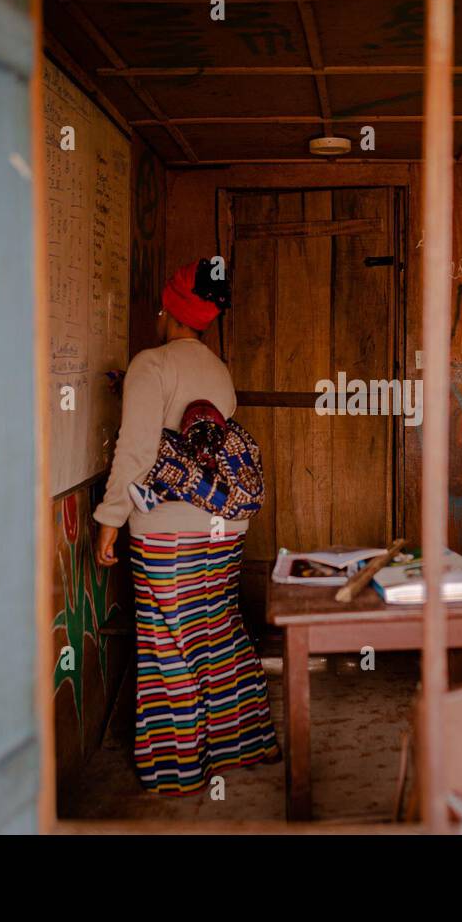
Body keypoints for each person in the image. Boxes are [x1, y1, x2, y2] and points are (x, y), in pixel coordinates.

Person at [94, 259, 280, 795]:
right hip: (222, 531)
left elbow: (136, 451)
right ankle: (240, 744)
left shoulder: (150, 365)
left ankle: (179, 770)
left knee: (167, 643)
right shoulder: (217, 371)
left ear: (169, 309)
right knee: (215, 630)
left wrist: (111, 519)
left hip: (167, 534)